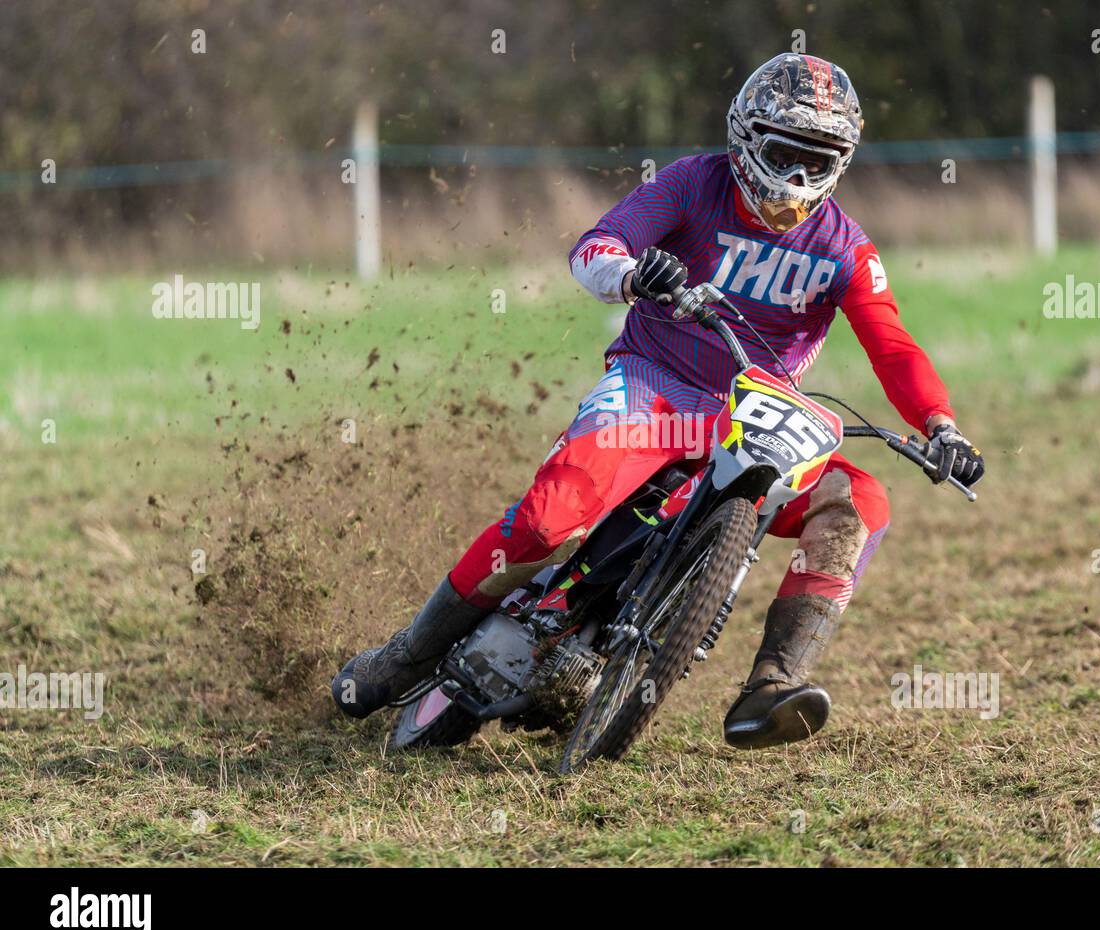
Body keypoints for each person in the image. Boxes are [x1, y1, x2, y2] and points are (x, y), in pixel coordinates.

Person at [332, 53, 985, 749]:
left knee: (859, 504)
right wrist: (635, 273)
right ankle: (407, 654)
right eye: (783, 154)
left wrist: (940, 424)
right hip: (654, 386)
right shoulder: (691, 183)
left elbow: (893, 345)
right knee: (547, 523)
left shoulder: (846, 248)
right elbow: (594, 248)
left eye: (816, 162)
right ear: (744, 139)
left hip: (759, 416)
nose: (795, 180)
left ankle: (772, 684)